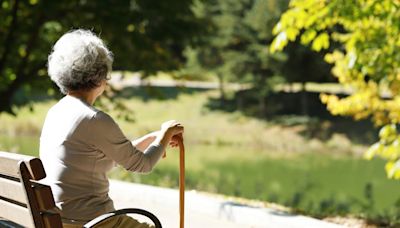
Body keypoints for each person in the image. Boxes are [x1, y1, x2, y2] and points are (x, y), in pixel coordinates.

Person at [39, 29, 184, 228]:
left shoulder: (56, 112)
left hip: (57, 220)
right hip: (92, 223)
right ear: (100, 77)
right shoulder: (94, 119)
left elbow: (114, 156)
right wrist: (166, 133)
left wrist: (155, 138)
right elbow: (142, 165)